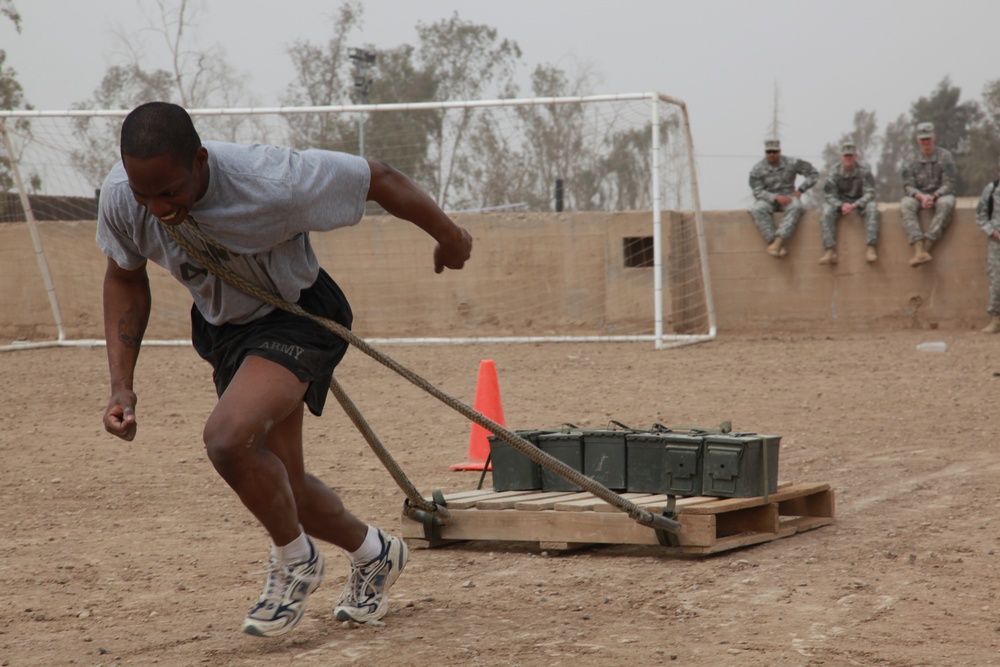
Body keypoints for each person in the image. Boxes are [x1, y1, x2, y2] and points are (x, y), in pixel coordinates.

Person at [96, 102, 473, 637]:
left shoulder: (272, 179)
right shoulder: (120, 197)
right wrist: (121, 385)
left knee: (227, 440)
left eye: (170, 192)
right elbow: (125, 277)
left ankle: (295, 560)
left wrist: (450, 236)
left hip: (298, 315)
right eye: (143, 193)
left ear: (200, 161)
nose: (156, 208)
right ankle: (376, 553)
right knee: (284, 487)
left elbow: (380, 178)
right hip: (225, 331)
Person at [748, 138, 819, 258]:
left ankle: (779, 241)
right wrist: (775, 197)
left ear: (779, 151)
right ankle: (773, 243)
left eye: (774, 152)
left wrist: (800, 190)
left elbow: (813, 174)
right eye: (768, 152)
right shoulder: (758, 169)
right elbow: (757, 191)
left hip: (788, 197)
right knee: (757, 209)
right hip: (768, 199)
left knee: (796, 207)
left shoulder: (792, 162)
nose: (771, 155)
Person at [900, 121, 958, 267]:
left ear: (934, 137)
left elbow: (949, 183)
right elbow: (908, 186)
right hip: (919, 196)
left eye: (928, 138)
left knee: (946, 203)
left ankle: (927, 246)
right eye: (922, 139)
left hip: (940, 195)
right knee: (906, 204)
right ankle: (918, 247)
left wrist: (934, 196)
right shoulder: (910, 158)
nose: (925, 141)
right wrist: (921, 197)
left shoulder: (945, 156)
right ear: (917, 140)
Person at [818, 142, 880, 265]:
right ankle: (829, 251)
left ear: (855, 156)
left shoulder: (864, 171)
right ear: (842, 157)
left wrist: (855, 204)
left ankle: (871, 248)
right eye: (846, 156)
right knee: (826, 212)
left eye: (851, 156)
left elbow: (870, 193)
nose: (848, 158)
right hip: (840, 203)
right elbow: (829, 195)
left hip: (859, 202)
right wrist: (841, 205)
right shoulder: (834, 171)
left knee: (872, 208)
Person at [975, 157, 1000, 333]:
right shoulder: (992, 190)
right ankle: (996, 319)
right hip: (996, 243)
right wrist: (993, 232)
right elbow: (981, 216)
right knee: (996, 280)